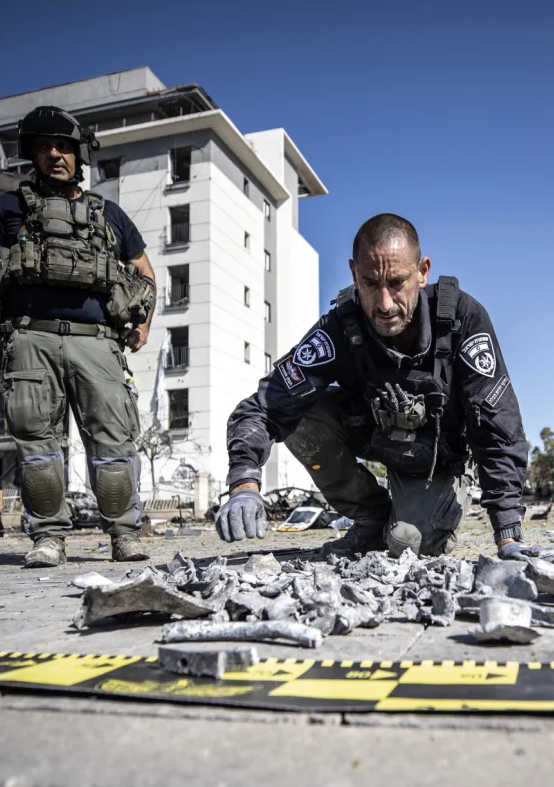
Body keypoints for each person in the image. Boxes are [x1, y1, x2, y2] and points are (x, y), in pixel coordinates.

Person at [216, 214, 531, 559]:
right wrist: (244, 484)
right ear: (354, 274)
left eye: (396, 282)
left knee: (407, 545)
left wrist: (507, 534)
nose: (383, 304)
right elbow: (264, 407)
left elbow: (497, 427)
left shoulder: (462, 320)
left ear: (422, 271)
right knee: (296, 414)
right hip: (377, 438)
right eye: (369, 283)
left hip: (438, 459)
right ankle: (370, 514)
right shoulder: (340, 329)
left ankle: (419, 510)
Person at [0, 106, 156, 568]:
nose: (54, 154)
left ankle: (123, 535)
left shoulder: (109, 213)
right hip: (30, 340)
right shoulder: (7, 208)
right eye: (44, 147)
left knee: (114, 442)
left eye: (63, 146)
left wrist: (142, 321)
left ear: (78, 154)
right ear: (32, 154)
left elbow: (144, 272)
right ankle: (48, 537)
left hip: (98, 342)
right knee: (36, 443)